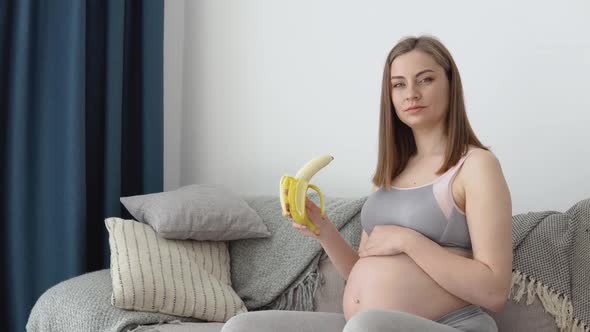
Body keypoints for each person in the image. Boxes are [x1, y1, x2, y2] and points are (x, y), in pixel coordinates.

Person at [223, 35, 513, 332]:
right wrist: (323, 229)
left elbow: (494, 291)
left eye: (425, 80)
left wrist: (408, 241)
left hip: (449, 325)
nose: (411, 93)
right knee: (242, 327)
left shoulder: (476, 166)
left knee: (366, 326)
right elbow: (361, 271)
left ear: (451, 85)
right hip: (365, 325)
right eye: (398, 84)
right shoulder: (388, 176)